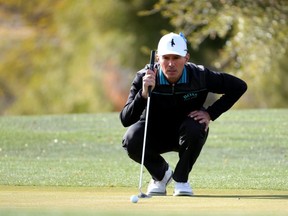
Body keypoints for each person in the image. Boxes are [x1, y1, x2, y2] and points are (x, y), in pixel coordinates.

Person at [120, 32, 247, 196]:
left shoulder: (200, 76)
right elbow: (126, 119)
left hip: (187, 132)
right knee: (130, 139)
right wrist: (143, 94)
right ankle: (161, 175)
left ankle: (181, 180)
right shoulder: (144, 78)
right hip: (154, 134)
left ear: (186, 58)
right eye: (166, 58)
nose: (171, 64)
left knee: (197, 126)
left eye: (176, 58)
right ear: (158, 58)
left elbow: (239, 86)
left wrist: (210, 114)